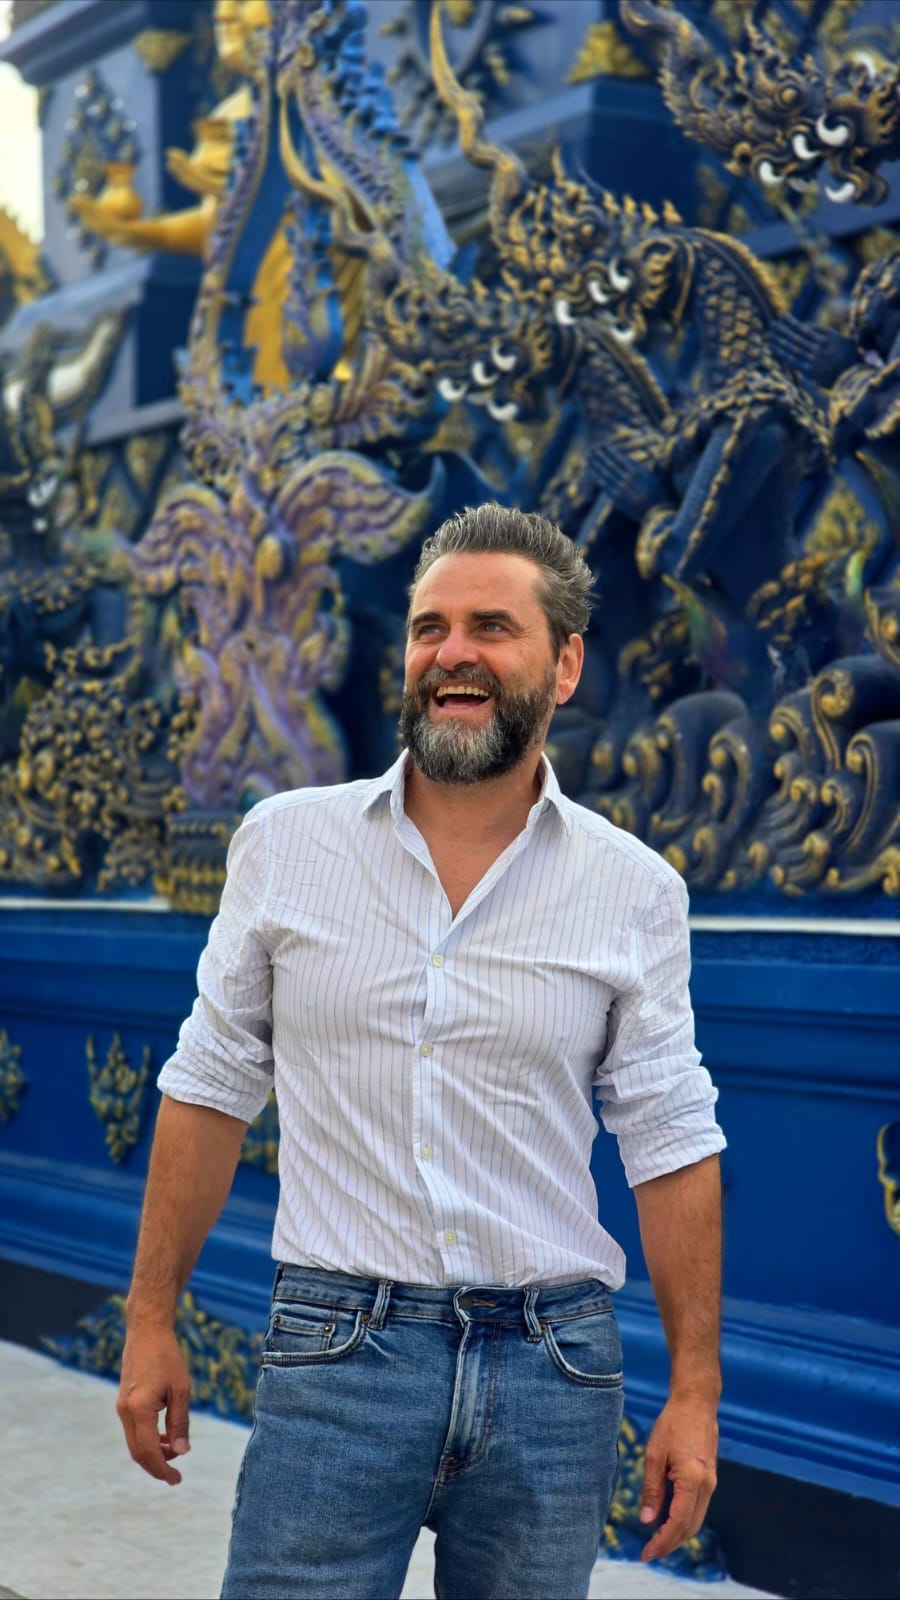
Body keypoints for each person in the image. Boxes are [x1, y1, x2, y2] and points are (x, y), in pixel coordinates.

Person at [117, 502, 725, 1600]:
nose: (453, 653)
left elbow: (671, 1139)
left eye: (493, 626)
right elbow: (209, 1083)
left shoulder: (635, 890)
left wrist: (695, 1390)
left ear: (566, 663)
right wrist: (151, 1318)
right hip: (337, 1360)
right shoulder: (286, 845)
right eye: (430, 627)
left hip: (554, 1373)